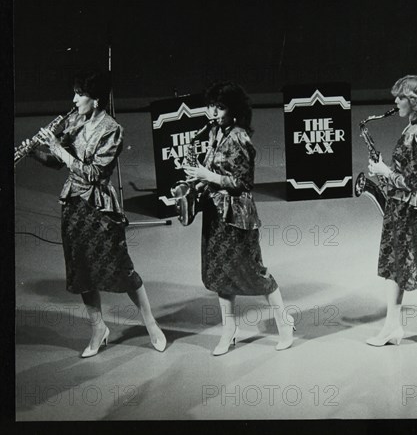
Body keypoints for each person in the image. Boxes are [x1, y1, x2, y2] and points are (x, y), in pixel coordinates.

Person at [28, 70, 166, 357]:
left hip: (100, 208)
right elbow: (56, 163)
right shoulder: (74, 121)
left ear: (96, 99)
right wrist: (33, 151)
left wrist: (58, 149)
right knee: (82, 273)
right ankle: (98, 328)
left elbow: (93, 174)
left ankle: (150, 324)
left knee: (122, 269)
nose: (74, 99)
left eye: (80, 94)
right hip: (73, 206)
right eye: (75, 92)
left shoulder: (112, 129)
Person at [183, 81, 294, 356]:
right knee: (221, 273)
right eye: (211, 106)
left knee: (254, 272)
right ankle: (229, 330)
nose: (213, 112)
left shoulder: (239, 138)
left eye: (219, 107)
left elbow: (244, 183)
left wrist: (208, 176)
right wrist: (197, 182)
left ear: (233, 111)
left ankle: (284, 323)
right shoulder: (214, 133)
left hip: (237, 217)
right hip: (215, 213)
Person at [367, 75, 417, 349]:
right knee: (396, 262)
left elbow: (410, 181)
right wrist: (389, 172)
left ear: (414, 101)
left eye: (400, 97)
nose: (395, 102)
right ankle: (392, 325)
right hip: (405, 204)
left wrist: (384, 172)